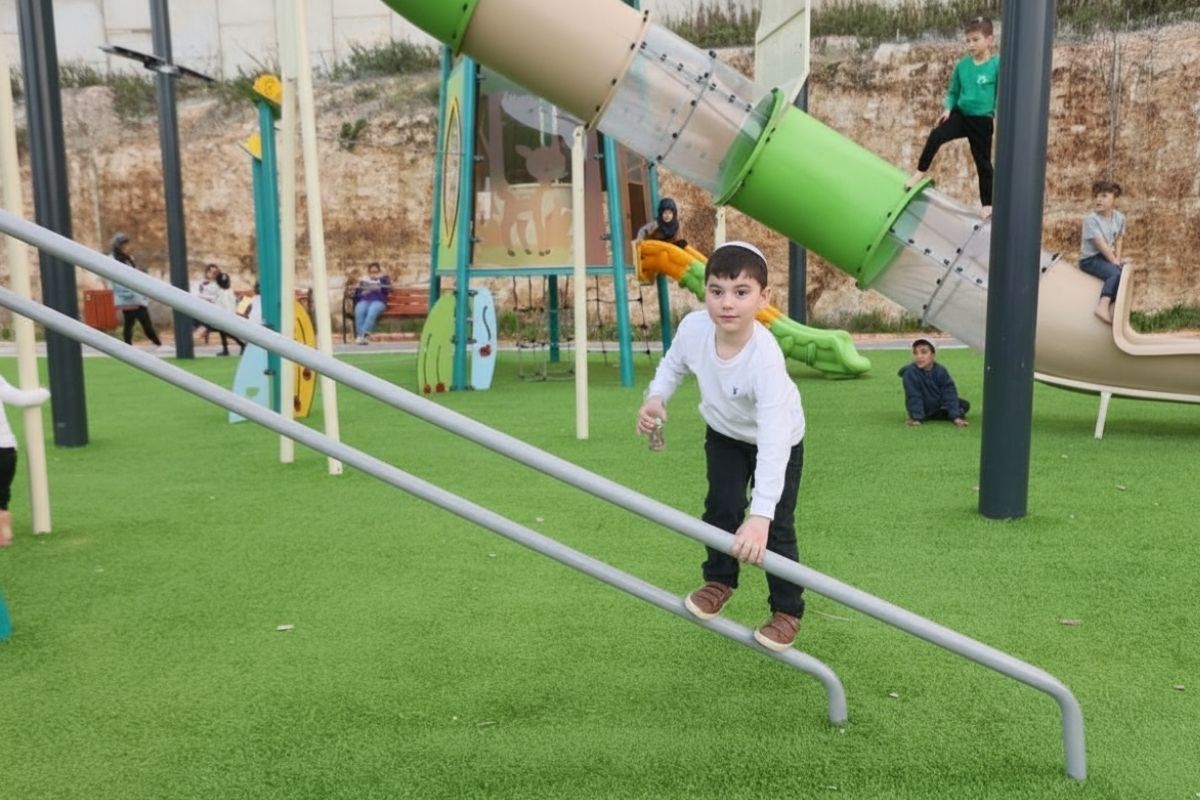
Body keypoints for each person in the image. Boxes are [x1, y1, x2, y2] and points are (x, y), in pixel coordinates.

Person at [636, 241, 806, 652]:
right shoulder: (694, 329)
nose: (727, 303)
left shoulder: (765, 358)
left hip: (779, 439)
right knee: (722, 507)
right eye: (717, 291)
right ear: (705, 292)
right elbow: (673, 365)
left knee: (777, 526)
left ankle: (787, 610)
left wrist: (760, 516)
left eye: (741, 292)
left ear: (764, 298)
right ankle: (719, 580)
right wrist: (657, 396)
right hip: (725, 434)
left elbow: (773, 440)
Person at [905, 17, 999, 218]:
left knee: (983, 163)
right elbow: (953, 92)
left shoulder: (997, 65)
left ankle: (987, 205)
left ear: (990, 40)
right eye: (968, 40)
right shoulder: (962, 66)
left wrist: (997, 115)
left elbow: (1001, 93)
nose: (971, 45)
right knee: (936, 135)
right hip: (961, 114)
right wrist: (948, 109)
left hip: (982, 121)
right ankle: (919, 173)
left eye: (976, 40)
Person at [0, 374, 51, 547]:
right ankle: (3, 525)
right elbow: (21, 399)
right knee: (1, 493)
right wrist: (44, 392)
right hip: (4, 448)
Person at [1078, 180, 1127, 324]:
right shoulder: (1091, 220)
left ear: (1115, 200)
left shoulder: (1120, 218)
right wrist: (1114, 261)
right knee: (1115, 273)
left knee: (1123, 272)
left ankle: (1115, 306)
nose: (1098, 199)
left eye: (1104, 196)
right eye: (1096, 196)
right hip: (1090, 259)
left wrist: (1118, 258)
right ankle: (1102, 305)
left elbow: (1119, 239)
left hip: (1105, 257)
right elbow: (1100, 245)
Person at [109, 233, 167, 351]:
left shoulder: (129, 259)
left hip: (135, 295)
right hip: (128, 296)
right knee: (139, 322)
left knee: (134, 322)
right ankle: (156, 344)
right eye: (125, 245)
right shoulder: (114, 260)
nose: (127, 247)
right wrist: (128, 291)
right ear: (119, 246)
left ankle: (130, 346)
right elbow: (116, 279)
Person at [898, 339, 970, 427]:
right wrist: (917, 418)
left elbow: (949, 392)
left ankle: (945, 414)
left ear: (933, 354)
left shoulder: (941, 370)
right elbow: (913, 396)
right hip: (924, 407)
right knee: (958, 409)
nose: (919, 356)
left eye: (924, 352)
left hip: (938, 404)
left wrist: (956, 417)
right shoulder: (910, 373)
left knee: (964, 405)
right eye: (915, 353)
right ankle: (923, 415)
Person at [195, 264, 244, 356]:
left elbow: (218, 297)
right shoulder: (203, 283)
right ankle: (231, 347)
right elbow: (202, 294)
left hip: (217, 310)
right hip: (208, 309)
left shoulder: (218, 284)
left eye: (214, 272)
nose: (212, 274)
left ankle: (239, 344)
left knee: (221, 329)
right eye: (210, 271)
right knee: (223, 330)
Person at [353, 262, 391, 345]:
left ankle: (363, 335)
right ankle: (360, 337)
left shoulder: (383, 279)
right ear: (368, 272)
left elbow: (387, 290)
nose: (373, 274)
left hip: (379, 301)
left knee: (372, 310)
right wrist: (362, 292)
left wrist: (380, 280)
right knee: (359, 309)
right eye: (371, 272)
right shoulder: (364, 281)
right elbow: (357, 296)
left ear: (379, 272)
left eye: (376, 272)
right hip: (365, 300)